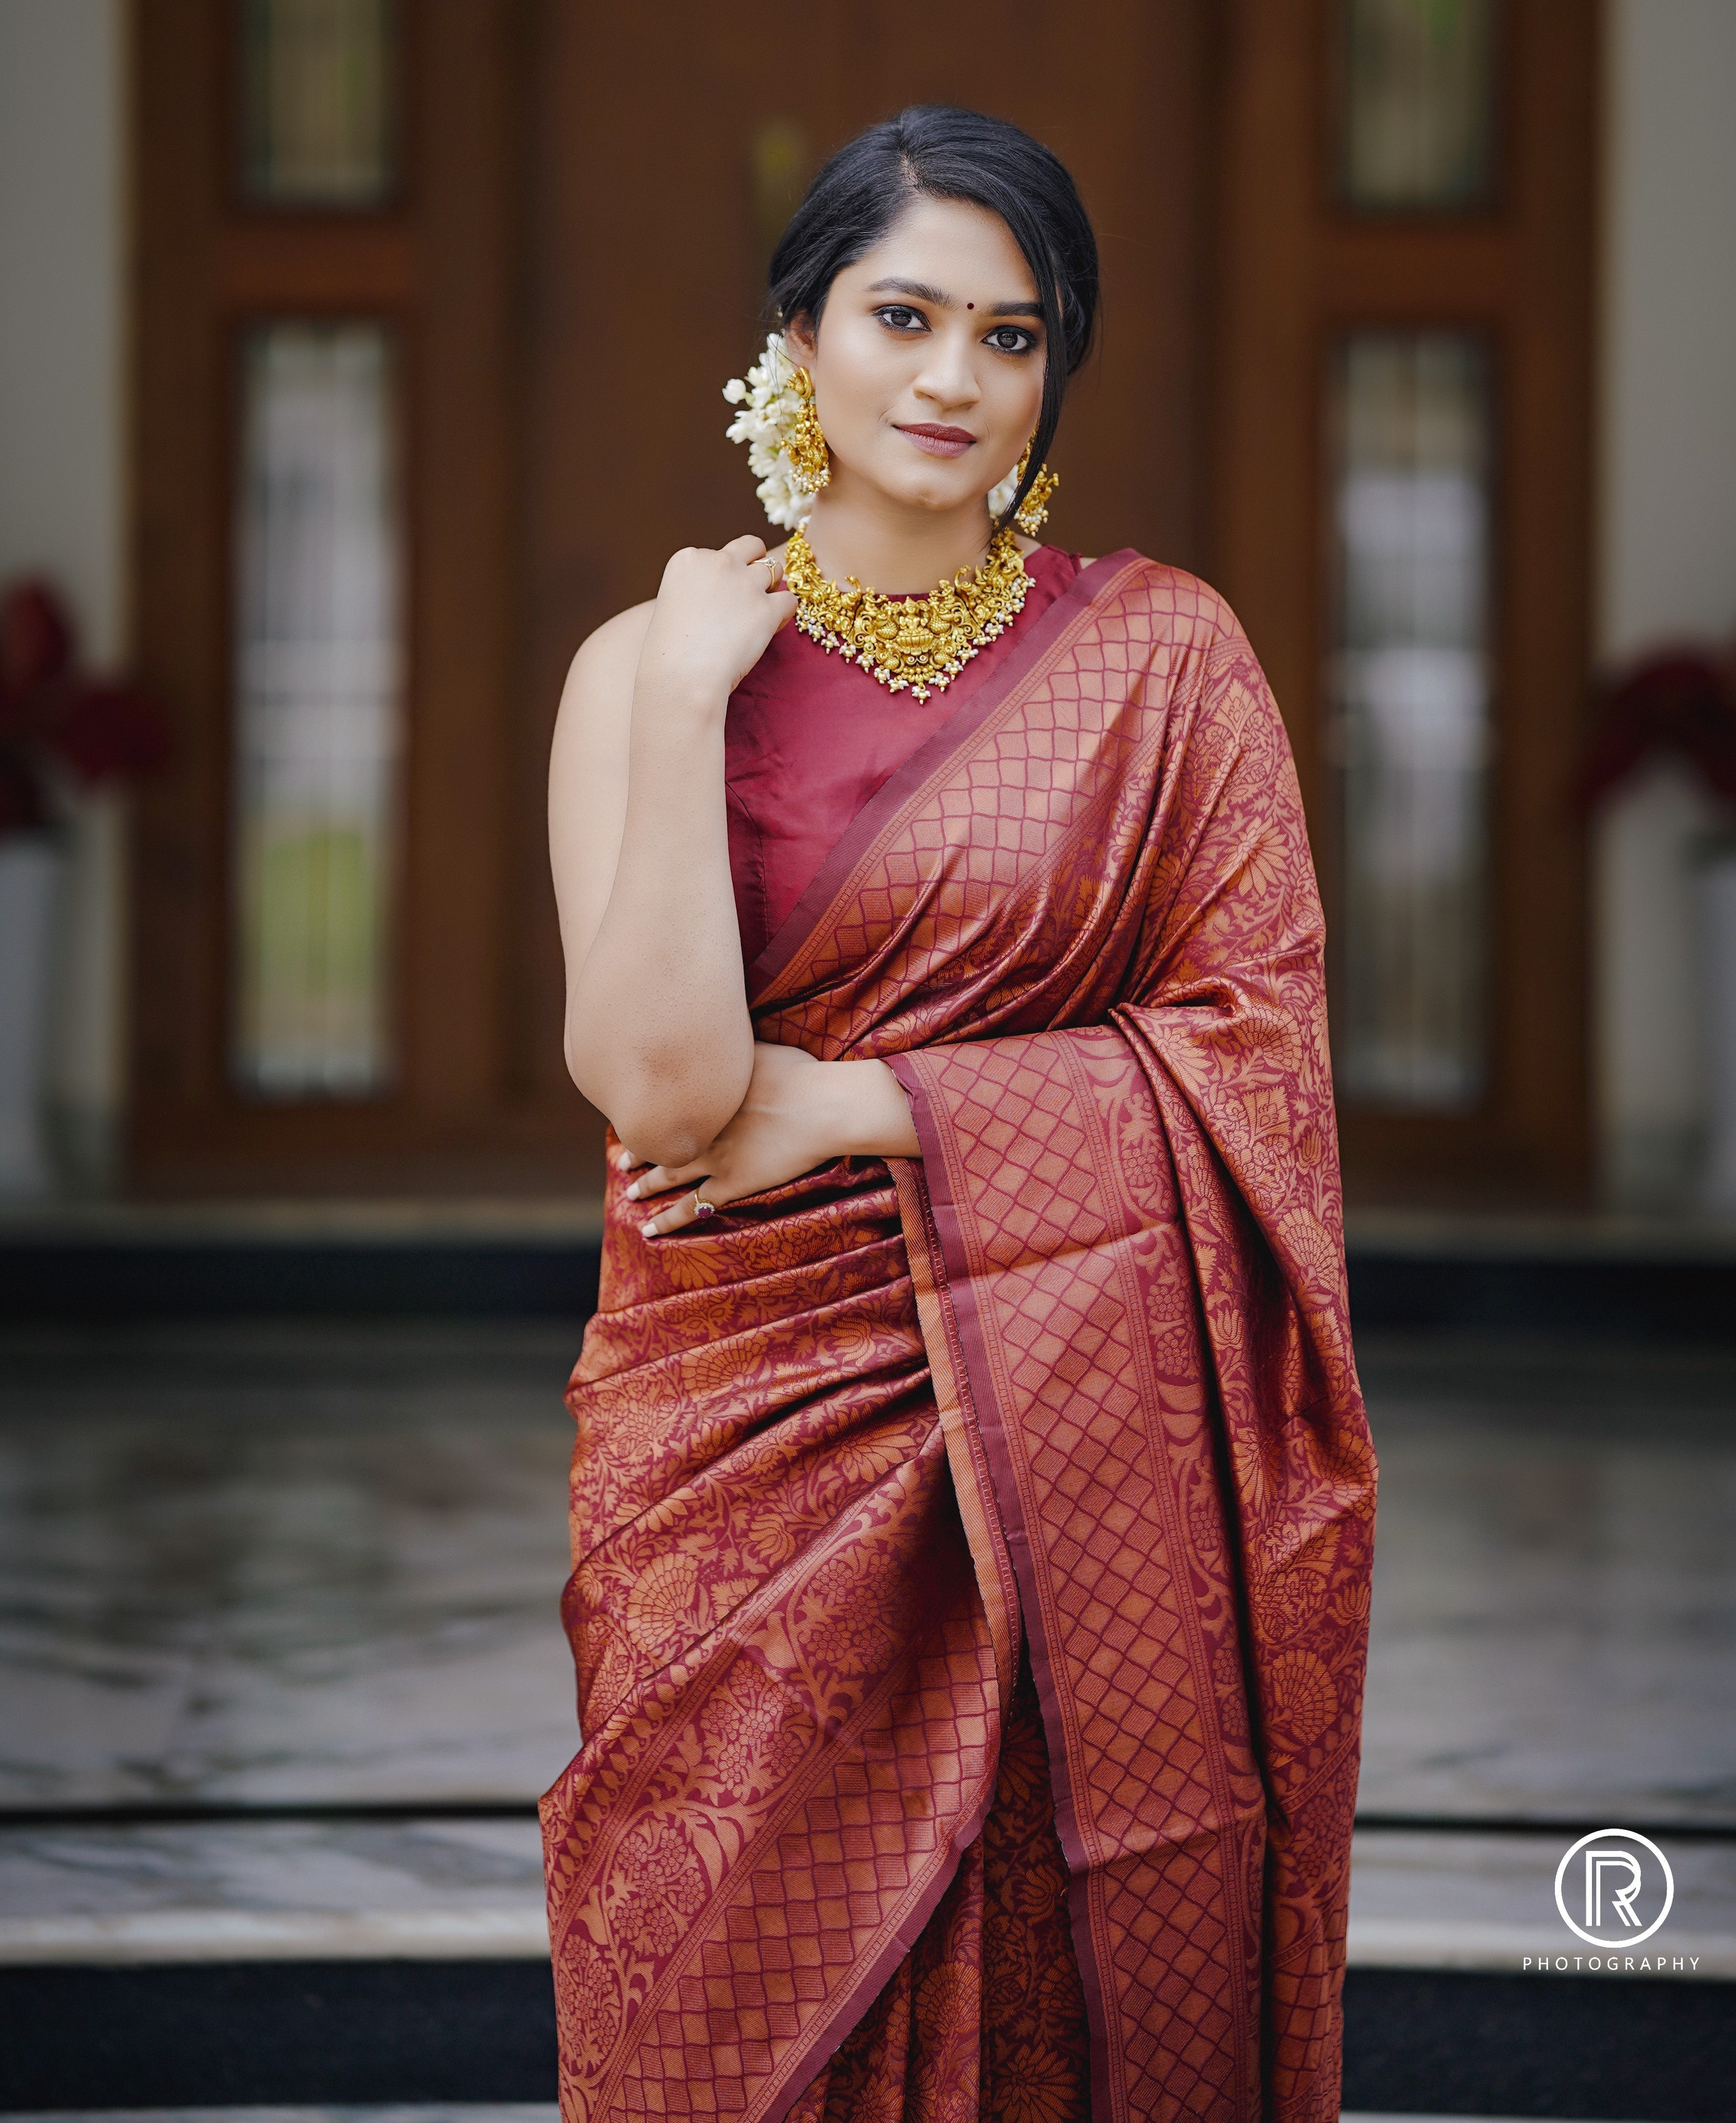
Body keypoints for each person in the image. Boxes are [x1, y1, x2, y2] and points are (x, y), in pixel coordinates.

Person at [542, 104, 1375, 2123]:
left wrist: (867, 1101)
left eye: (1010, 335)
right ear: (798, 335)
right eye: (900, 313)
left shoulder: (1168, 664)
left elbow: (1249, 1050)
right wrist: (680, 698)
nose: (950, 378)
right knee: (709, 1979)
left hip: (1073, 1423)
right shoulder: (643, 671)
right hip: (734, 1441)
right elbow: (659, 1090)